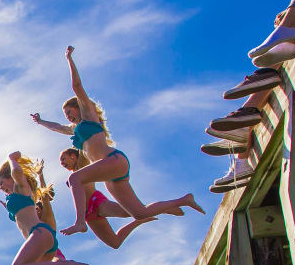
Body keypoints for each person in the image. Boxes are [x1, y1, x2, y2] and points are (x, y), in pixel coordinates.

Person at [32, 47, 202, 237]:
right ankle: (183, 200)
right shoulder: (75, 129)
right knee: (139, 213)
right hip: (109, 174)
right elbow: (56, 127)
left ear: (79, 107)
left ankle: (80, 223)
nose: (68, 116)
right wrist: (41, 121)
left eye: (70, 112)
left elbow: (77, 87)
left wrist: (69, 59)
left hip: (114, 161)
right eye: (66, 115)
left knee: (74, 179)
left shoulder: (89, 117)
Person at [0, 151, 91, 265]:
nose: (1, 188)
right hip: (42, 244)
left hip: (40, 234)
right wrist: (9, 209)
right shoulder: (15, 196)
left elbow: (17, 172)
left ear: (11, 177)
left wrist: (11, 159)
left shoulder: (21, 187)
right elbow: (21, 216)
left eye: (2, 182)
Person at [56, 148, 178, 248]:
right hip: (87, 214)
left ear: (73, 156)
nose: (62, 163)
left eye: (63, 158)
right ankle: (140, 220)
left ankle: (162, 208)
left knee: (129, 212)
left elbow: (83, 148)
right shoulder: (73, 176)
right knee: (115, 243)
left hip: (96, 202)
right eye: (60, 161)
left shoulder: (82, 165)